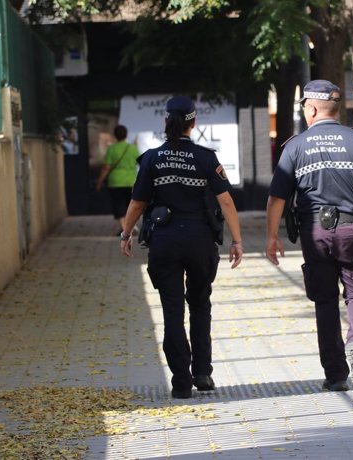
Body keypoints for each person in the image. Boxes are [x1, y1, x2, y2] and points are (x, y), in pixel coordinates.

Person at [265, 80, 353, 392]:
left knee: (324, 300)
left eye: (304, 106)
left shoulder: (294, 147)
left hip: (314, 231)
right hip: (351, 229)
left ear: (311, 108)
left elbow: (277, 199)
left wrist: (271, 237)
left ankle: (335, 374)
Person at [119, 95, 243, 399]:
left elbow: (138, 202)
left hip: (164, 240)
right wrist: (238, 240)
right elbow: (225, 200)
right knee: (200, 303)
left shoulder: (151, 158)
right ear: (193, 123)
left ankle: (180, 381)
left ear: (165, 122)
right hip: (200, 240)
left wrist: (126, 233)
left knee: (172, 311)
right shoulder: (205, 157)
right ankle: (202, 373)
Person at [96, 124, 140, 234]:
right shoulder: (133, 148)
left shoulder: (112, 149)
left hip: (115, 182)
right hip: (131, 181)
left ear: (115, 136)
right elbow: (140, 163)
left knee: (118, 205)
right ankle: (130, 227)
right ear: (126, 135)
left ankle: (125, 228)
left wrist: (99, 182)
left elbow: (106, 167)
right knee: (130, 206)